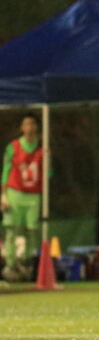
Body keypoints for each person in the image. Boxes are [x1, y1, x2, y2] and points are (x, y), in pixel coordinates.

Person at [1, 113, 44, 281]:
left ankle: (27, 262)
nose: (29, 127)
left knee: (32, 230)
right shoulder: (13, 147)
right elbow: (6, 170)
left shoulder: (42, 148)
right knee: (11, 229)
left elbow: (48, 173)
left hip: (33, 195)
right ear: (21, 127)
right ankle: (11, 264)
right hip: (15, 192)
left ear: (37, 127)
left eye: (32, 124)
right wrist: (3, 195)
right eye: (26, 124)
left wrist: (48, 159)